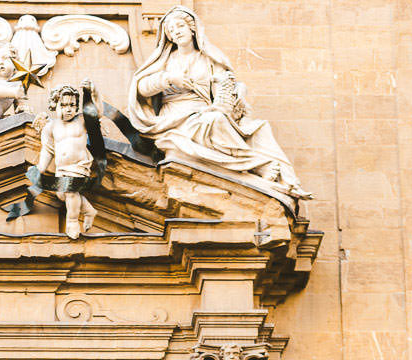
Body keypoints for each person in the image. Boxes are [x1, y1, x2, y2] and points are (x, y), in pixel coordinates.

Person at [127, 6, 310, 200]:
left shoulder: (208, 59)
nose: (176, 31)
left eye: (180, 26)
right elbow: (142, 87)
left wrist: (239, 90)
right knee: (213, 120)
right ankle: (259, 164)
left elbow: (225, 84)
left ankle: (256, 166)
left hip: (203, 110)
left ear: (192, 29)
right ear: (168, 37)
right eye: (171, 30)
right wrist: (168, 79)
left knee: (222, 120)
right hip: (173, 117)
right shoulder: (165, 60)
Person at [36, 84, 97, 238]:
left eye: (72, 105)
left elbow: (98, 113)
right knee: (62, 194)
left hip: (79, 166)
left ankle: (72, 222)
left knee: (70, 192)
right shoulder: (50, 128)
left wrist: (91, 93)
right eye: (63, 105)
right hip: (62, 169)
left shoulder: (82, 121)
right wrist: (41, 168)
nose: (68, 109)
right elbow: (48, 150)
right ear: (54, 105)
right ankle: (89, 210)